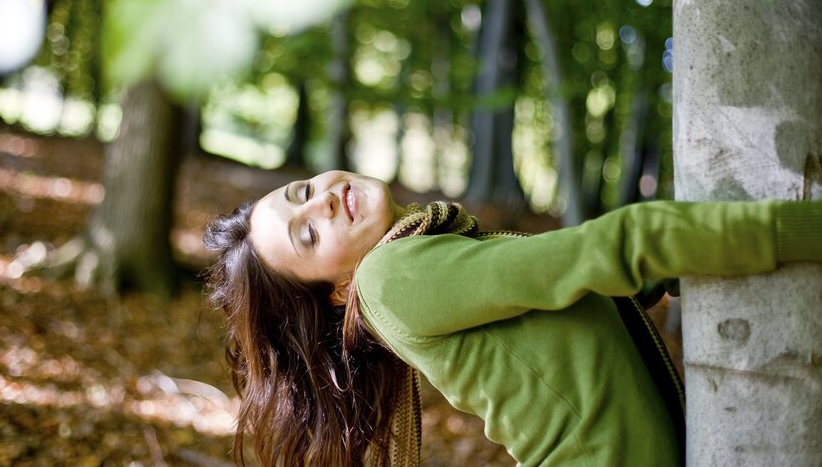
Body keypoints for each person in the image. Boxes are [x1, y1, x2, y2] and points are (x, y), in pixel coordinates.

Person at [203, 170, 822, 466]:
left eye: (299, 191)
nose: (321, 202)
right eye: (308, 234)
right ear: (337, 292)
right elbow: (610, 248)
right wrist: (804, 231)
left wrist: (662, 274)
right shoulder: (392, 279)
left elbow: (572, 298)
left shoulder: (410, 264)